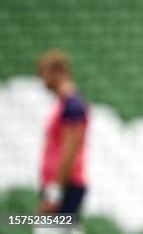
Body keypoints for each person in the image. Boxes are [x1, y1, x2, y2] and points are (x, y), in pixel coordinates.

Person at [38, 50, 89, 223]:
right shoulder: (64, 104)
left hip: (66, 185)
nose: (42, 79)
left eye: (43, 72)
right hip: (61, 184)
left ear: (58, 71)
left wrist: (55, 192)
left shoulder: (72, 106)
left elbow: (70, 151)